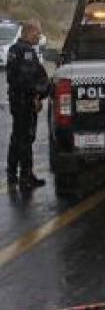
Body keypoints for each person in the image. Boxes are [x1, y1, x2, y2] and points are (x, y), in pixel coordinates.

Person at [6, 19, 50, 189]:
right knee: (25, 138)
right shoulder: (26, 52)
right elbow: (28, 80)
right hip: (25, 102)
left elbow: (15, 78)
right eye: (37, 33)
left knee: (17, 136)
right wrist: (36, 97)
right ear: (29, 32)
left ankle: (12, 172)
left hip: (17, 100)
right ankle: (26, 175)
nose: (39, 36)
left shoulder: (13, 49)